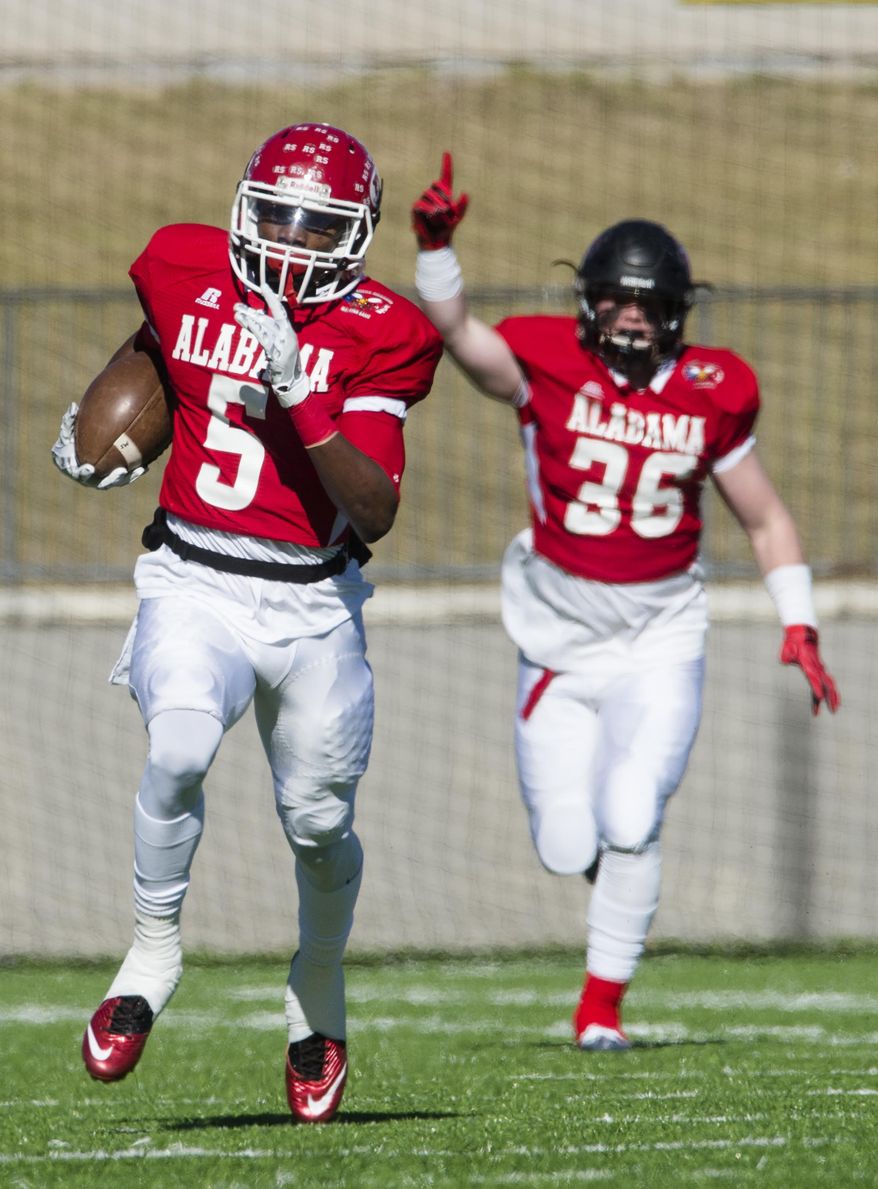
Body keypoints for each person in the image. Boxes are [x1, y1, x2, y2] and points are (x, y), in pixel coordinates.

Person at [51, 122, 442, 1121]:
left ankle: (316, 989)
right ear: (242, 203)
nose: (289, 239)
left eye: (318, 226)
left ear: (356, 237)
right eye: (274, 214)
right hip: (192, 577)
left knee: (318, 826)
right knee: (177, 748)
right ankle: (150, 955)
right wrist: (103, 428)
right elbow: (157, 355)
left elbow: (377, 509)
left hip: (313, 602)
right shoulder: (182, 263)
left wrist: (303, 397)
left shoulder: (382, 330)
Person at [410, 154, 840, 1052]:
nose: (633, 316)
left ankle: (600, 1007)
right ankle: (617, 877)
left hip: (659, 633)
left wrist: (797, 619)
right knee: (570, 844)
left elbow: (763, 518)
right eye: (619, 299)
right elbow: (458, 336)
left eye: (650, 303)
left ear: (679, 310)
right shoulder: (545, 361)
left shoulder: (713, 390)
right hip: (559, 640)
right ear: (590, 300)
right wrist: (436, 252)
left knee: (635, 813)